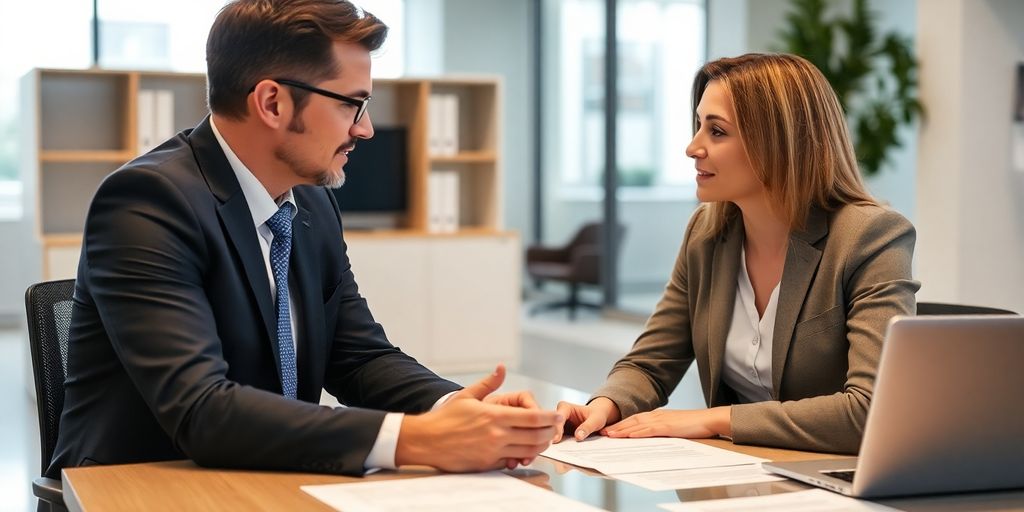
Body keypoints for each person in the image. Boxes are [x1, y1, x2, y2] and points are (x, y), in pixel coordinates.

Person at [46, 0, 562, 479]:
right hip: (141, 485)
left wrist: (453, 410)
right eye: (352, 105)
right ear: (273, 102)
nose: (365, 130)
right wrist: (417, 439)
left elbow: (358, 356)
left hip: (269, 476)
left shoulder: (310, 202)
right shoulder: (147, 202)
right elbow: (202, 409)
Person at [554, 53, 919, 454]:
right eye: (698, 126)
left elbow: (869, 411)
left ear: (778, 142)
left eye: (717, 132)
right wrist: (604, 406)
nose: (693, 148)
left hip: (829, 482)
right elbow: (649, 364)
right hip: (738, 473)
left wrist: (711, 419)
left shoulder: (868, 237)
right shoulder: (706, 235)